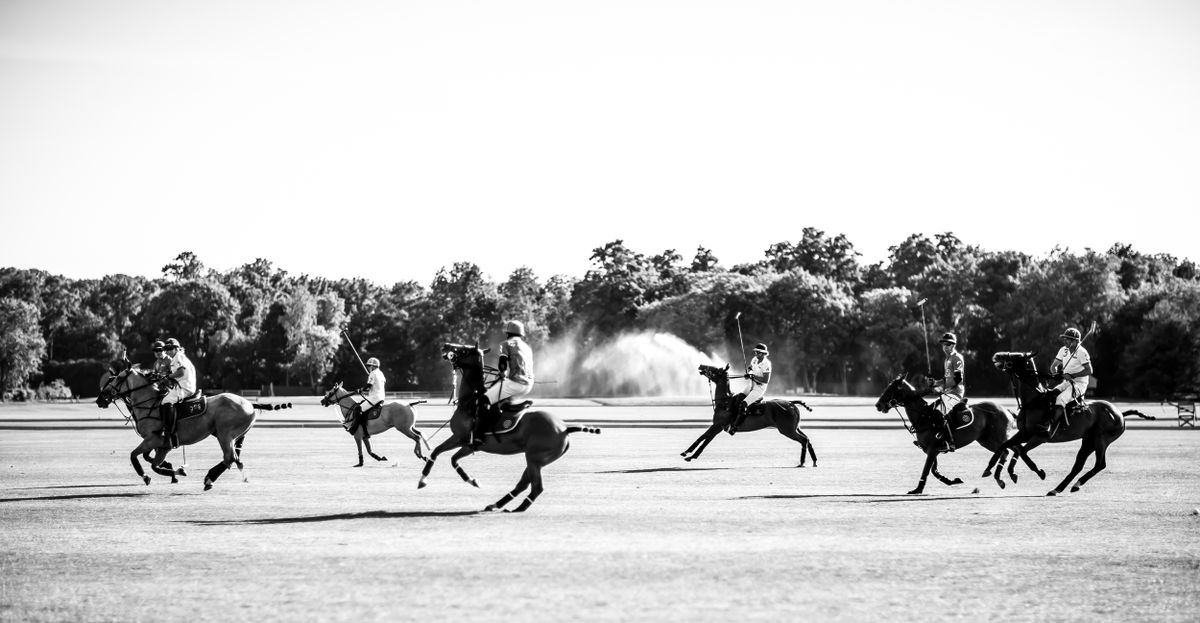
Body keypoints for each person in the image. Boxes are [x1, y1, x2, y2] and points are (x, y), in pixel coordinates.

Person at [474, 320, 535, 447]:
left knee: (484, 399)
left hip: (515, 383)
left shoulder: (506, 343)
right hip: (528, 385)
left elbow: (503, 363)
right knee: (497, 399)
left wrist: (502, 372)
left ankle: (479, 436)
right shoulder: (527, 347)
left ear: (508, 333)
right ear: (521, 334)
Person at [1043, 327, 1092, 432]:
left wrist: (1073, 375)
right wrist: (1055, 373)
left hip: (1079, 384)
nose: (1065, 340)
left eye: (1068, 339)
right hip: (1066, 382)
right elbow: (1054, 366)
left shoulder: (1082, 352)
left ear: (1075, 341)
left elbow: (1089, 370)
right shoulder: (1063, 350)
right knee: (1050, 394)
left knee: (1061, 399)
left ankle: (1050, 426)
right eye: (1065, 338)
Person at [928, 332, 965, 452]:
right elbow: (945, 379)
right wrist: (935, 383)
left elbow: (958, 379)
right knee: (930, 410)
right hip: (947, 393)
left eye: (948, 344)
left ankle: (949, 442)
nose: (945, 346)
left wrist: (940, 388)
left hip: (955, 393)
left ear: (953, 345)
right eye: (944, 344)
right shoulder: (947, 359)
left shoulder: (957, 358)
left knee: (939, 413)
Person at [160, 337, 196, 448]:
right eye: (166, 349)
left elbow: (181, 372)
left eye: (170, 348)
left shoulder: (178, 356)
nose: (168, 351)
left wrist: (168, 376)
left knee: (165, 401)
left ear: (177, 348)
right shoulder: (176, 357)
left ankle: (170, 432)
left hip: (185, 388)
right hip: (182, 386)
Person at [728, 343, 771, 435]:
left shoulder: (766, 364)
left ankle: (735, 427)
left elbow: (765, 380)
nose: (756, 354)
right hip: (751, 385)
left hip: (759, 388)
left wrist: (752, 376)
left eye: (758, 352)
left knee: (743, 405)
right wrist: (748, 372)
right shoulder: (755, 360)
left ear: (763, 354)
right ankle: (731, 420)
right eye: (755, 352)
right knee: (738, 398)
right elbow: (750, 368)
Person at [350, 357, 386, 438]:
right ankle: (365, 431)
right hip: (381, 397)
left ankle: (354, 428)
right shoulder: (381, 373)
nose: (368, 367)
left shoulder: (373, 373)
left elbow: (368, 386)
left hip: (375, 398)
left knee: (358, 409)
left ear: (373, 366)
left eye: (369, 366)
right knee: (364, 410)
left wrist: (360, 390)